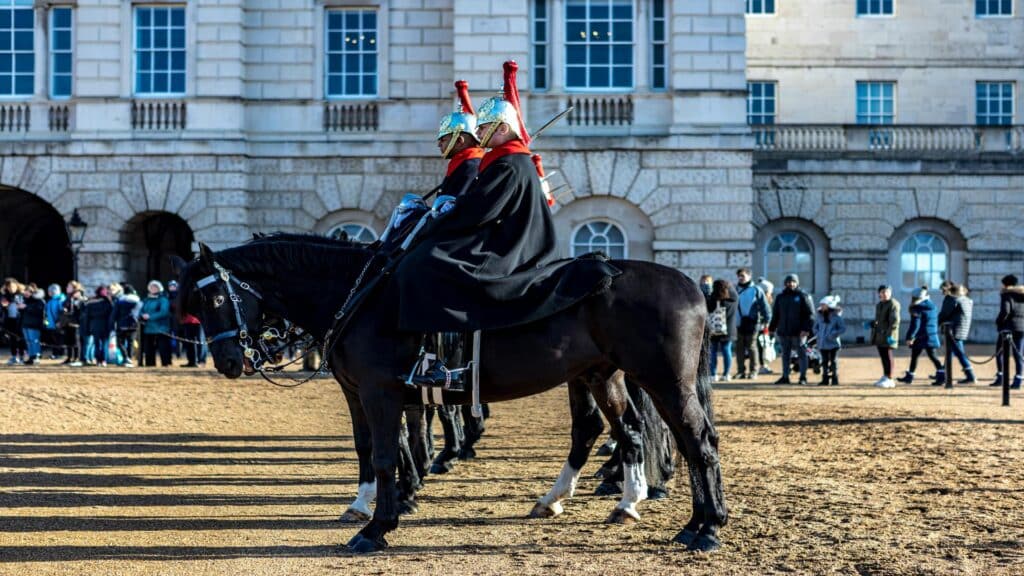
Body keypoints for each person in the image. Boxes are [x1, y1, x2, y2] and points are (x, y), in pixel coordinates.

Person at [395, 61, 618, 390]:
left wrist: (440, 219)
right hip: (506, 237)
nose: (480, 134)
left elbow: (478, 211)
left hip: (509, 246)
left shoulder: (509, 164)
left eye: (486, 127)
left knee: (426, 265)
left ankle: (446, 365)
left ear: (503, 129)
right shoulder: (505, 160)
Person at [436, 79, 485, 199]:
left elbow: (454, 208)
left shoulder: (471, 167)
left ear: (459, 141)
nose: (439, 145)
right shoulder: (462, 164)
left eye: (443, 140)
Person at [768, 274, 814, 385]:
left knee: (802, 355)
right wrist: (772, 328)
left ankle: (803, 377)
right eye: (789, 282)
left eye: (793, 282)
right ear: (785, 283)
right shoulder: (780, 297)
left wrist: (806, 329)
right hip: (784, 332)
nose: (791, 284)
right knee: (785, 355)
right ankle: (785, 377)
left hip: (799, 332)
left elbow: (810, 314)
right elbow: (776, 314)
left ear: (797, 283)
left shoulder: (803, 296)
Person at [898, 286, 944, 385]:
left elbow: (915, 324)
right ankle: (940, 374)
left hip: (920, 336)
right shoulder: (932, 305)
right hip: (931, 334)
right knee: (931, 356)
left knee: (917, 356)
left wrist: (910, 337)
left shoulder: (917, 307)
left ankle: (941, 375)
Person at [734, 268, 771, 379]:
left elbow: (765, 306)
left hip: (753, 323)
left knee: (751, 347)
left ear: (749, 276)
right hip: (738, 323)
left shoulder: (756, 290)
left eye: (743, 275)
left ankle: (754, 371)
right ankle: (741, 371)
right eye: (739, 276)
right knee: (739, 348)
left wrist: (767, 321)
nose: (741, 278)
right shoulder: (734, 289)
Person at [937, 281, 975, 384]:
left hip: (953, 329)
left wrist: (939, 322)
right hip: (961, 329)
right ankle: (942, 375)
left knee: (957, 353)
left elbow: (944, 313)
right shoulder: (966, 300)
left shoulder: (952, 299)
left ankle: (969, 375)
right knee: (954, 352)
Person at [994, 274, 1024, 390]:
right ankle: (1018, 379)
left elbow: (1005, 311)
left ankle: (1001, 377)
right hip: (1022, 327)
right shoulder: (1022, 295)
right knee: (1018, 354)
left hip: (1008, 327)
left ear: (1005, 284)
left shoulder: (1006, 295)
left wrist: (998, 322)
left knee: (999, 353)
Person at [705, 279, 738, 382]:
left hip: (714, 328)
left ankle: (713, 374)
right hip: (729, 328)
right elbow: (734, 293)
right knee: (726, 350)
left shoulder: (712, 299)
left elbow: (708, 308)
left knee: (713, 351)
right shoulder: (733, 299)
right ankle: (726, 374)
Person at [871, 285, 901, 388]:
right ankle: (885, 376)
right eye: (883, 292)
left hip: (888, 335)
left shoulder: (893, 304)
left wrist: (891, 335)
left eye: (887, 292)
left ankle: (890, 378)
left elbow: (894, 321)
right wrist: (872, 324)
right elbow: (878, 321)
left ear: (890, 293)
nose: (885, 294)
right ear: (879, 293)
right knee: (883, 356)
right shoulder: (879, 305)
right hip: (880, 335)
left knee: (888, 356)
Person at [812, 295, 846, 386]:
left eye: (824, 305)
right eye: (822, 305)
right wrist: (818, 334)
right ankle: (825, 379)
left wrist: (833, 334)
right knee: (824, 361)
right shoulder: (819, 316)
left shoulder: (837, 317)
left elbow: (842, 328)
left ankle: (835, 378)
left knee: (833, 361)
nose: (822, 306)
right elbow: (815, 327)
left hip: (833, 344)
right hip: (822, 343)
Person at [140, 280, 172, 367]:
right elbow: (141, 310)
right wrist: (142, 315)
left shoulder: (163, 299)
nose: (153, 289)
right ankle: (150, 364)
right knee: (148, 347)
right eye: (151, 287)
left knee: (163, 347)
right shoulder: (146, 299)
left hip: (161, 327)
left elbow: (164, 312)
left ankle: (165, 363)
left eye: (155, 287)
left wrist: (150, 316)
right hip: (148, 328)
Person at [81, 285, 114, 366]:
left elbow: (87, 316)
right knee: (101, 344)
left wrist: (87, 328)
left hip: (97, 325)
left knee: (100, 344)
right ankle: (101, 360)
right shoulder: (108, 302)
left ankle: (100, 360)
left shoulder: (92, 301)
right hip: (102, 325)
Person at [111, 283, 141, 367]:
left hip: (122, 324)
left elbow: (114, 314)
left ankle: (125, 357)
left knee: (120, 343)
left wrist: (112, 323)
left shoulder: (120, 301)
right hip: (133, 325)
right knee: (131, 342)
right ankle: (129, 359)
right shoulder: (138, 301)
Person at [19, 285, 45, 365]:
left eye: (28, 291)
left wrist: (26, 307)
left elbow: (39, 310)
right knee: (28, 342)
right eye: (25, 291)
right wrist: (20, 308)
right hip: (25, 324)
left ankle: (36, 356)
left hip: (34, 324)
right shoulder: (24, 300)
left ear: (32, 292)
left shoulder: (39, 300)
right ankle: (31, 357)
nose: (26, 293)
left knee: (34, 341)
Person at [60, 281, 86, 366]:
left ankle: (76, 358)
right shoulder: (68, 297)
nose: (67, 288)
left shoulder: (80, 298)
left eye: (69, 287)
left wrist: (74, 302)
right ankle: (69, 358)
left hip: (75, 323)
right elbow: (64, 307)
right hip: (67, 322)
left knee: (75, 342)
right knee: (68, 341)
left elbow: (80, 310)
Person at [2, 278, 26, 365]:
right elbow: (3, 308)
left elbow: (25, 306)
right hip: (9, 319)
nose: (11, 288)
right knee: (12, 339)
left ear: (17, 286)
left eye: (12, 286)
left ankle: (22, 357)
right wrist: (4, 306)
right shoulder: (5, 296)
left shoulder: (21, 295)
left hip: (20, 320)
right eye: (9, 287)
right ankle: (14, 356)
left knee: (20, 338)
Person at [755, 277, 775, 375]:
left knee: (766, 347)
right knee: (761, 347)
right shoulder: (759, 301)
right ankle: (762, 366)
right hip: (761, 327)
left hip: (766, 328)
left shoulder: (767, 301)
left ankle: (765, 365)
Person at [43, 284, 65, 359]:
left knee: (59, 339)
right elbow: (46, 314)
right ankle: (55, 353)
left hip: (58, 324)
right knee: (53, 339)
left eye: (50, 291)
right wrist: (46, 323)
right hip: (51, 324)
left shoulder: (60, 300)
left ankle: (60, 354)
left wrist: (59, 321)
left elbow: (62, 312)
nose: (48, 292)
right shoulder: (50, 301)